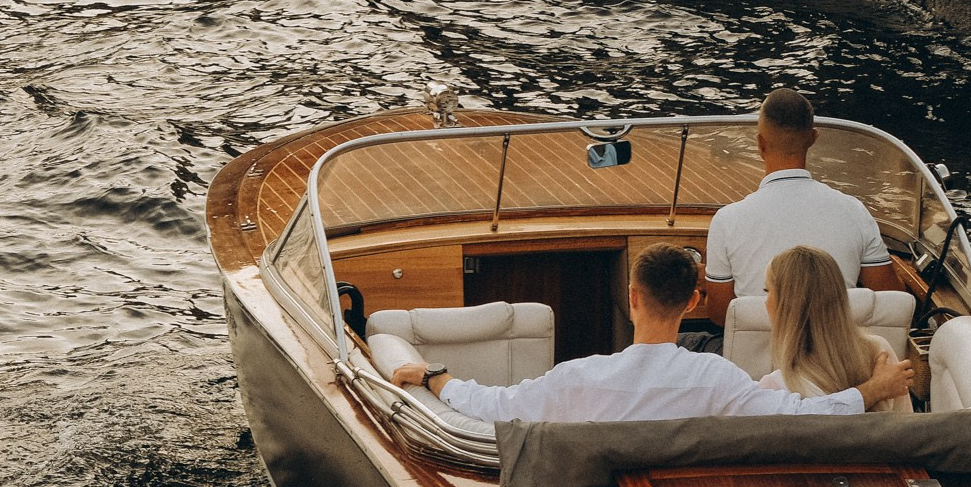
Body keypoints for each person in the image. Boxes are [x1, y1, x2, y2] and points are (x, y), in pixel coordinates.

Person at [390, 243, 911, 426]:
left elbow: (493, 406)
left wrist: (435, 376)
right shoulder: (719, 380)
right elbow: (804, 416)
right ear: (691, 303)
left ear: (633, 296)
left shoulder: (579, 378)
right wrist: (870, 392)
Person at [703, 86, 902, 314]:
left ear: (760, 144)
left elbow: (719, 314)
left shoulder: (726, 221)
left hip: (757, 350)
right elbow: (891, 298)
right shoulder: (854, 211)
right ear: (813, 138)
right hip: (834, 349)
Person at [757, 245, 911, 413]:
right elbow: (907, 428)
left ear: (787, 305)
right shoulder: (879, 351)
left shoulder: (774, 388)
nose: (765, 302)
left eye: (767, 291)